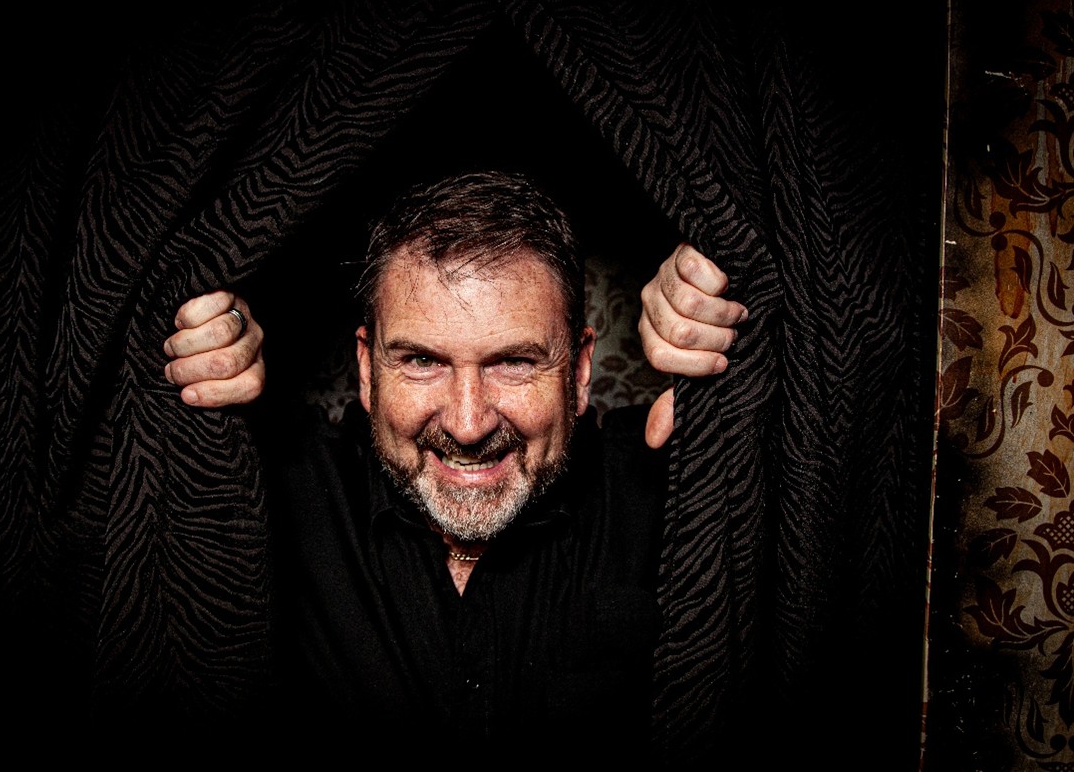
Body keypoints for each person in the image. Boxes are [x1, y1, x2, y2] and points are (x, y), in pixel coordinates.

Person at [162, 171, 744, 757]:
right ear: (367, 369)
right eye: (422, 360)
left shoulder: (665, 487)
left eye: (514, 362)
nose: (468, 425)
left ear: (579, 370)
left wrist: (737, 354)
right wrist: (197, 339)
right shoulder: (272, 493)